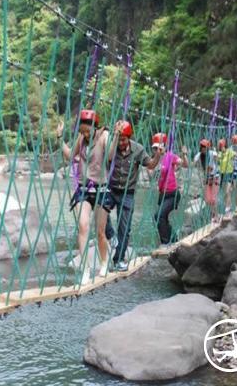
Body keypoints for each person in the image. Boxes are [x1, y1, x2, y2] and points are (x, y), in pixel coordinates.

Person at [57, 109, 112, 284]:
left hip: (101, 188)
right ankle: (86, 270)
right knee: (82, 226)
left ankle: (104, 262)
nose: (84, 134)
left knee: (101, 232)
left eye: (87, 131)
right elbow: (69, 156)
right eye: (82, 131)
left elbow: (111, 156)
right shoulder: (81, 139)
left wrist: (116, 137)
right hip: (83, 188)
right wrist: (60, 139)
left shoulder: (105, 136)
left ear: (94, 127)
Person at [107, 120, 162, 271]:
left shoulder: (137, 149)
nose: (121, 143)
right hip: (110, 190)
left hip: (127, 193)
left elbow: (150, 165)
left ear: (129, 137)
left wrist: (157, 155)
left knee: (124, 229)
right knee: (99, 208)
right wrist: (115, 137)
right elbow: (109, 158)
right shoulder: (112, 147)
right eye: (119, 139)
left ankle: (118, 260)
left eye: (123, 139)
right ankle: (110, 234)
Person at [153, 133, 189, 245]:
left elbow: (185, 164)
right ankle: (173, 238)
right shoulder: (155, 159)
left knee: (158, 216)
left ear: (163, 146)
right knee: (161, 218)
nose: (155, 150)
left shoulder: (170, 156)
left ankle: (166, 242)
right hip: (162, 194)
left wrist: (184, 154)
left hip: (172, 194)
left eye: (157, 148)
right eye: (154, 148)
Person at [193, 139, 219, 222]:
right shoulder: (199, 155)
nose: (203, 149)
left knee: (213, 198)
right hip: (207, 178)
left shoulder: (212, 153)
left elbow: (217, 158)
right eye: (202, 147)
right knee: (207, 199)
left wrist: (216, 157)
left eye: (205, 147)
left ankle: (216, 216)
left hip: (214, 177)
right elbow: (194, 163)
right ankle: (212, 214)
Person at [217, 138, 235, 216]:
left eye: (221, 145)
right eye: (219, 145)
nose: (220, 147)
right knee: (224, 192)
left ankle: (228, 209)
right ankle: (226, 206)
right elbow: (217, 160)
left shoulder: (229, 151)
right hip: (222, 174)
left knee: (227, 191)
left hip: (229, 173)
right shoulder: (219, 154)